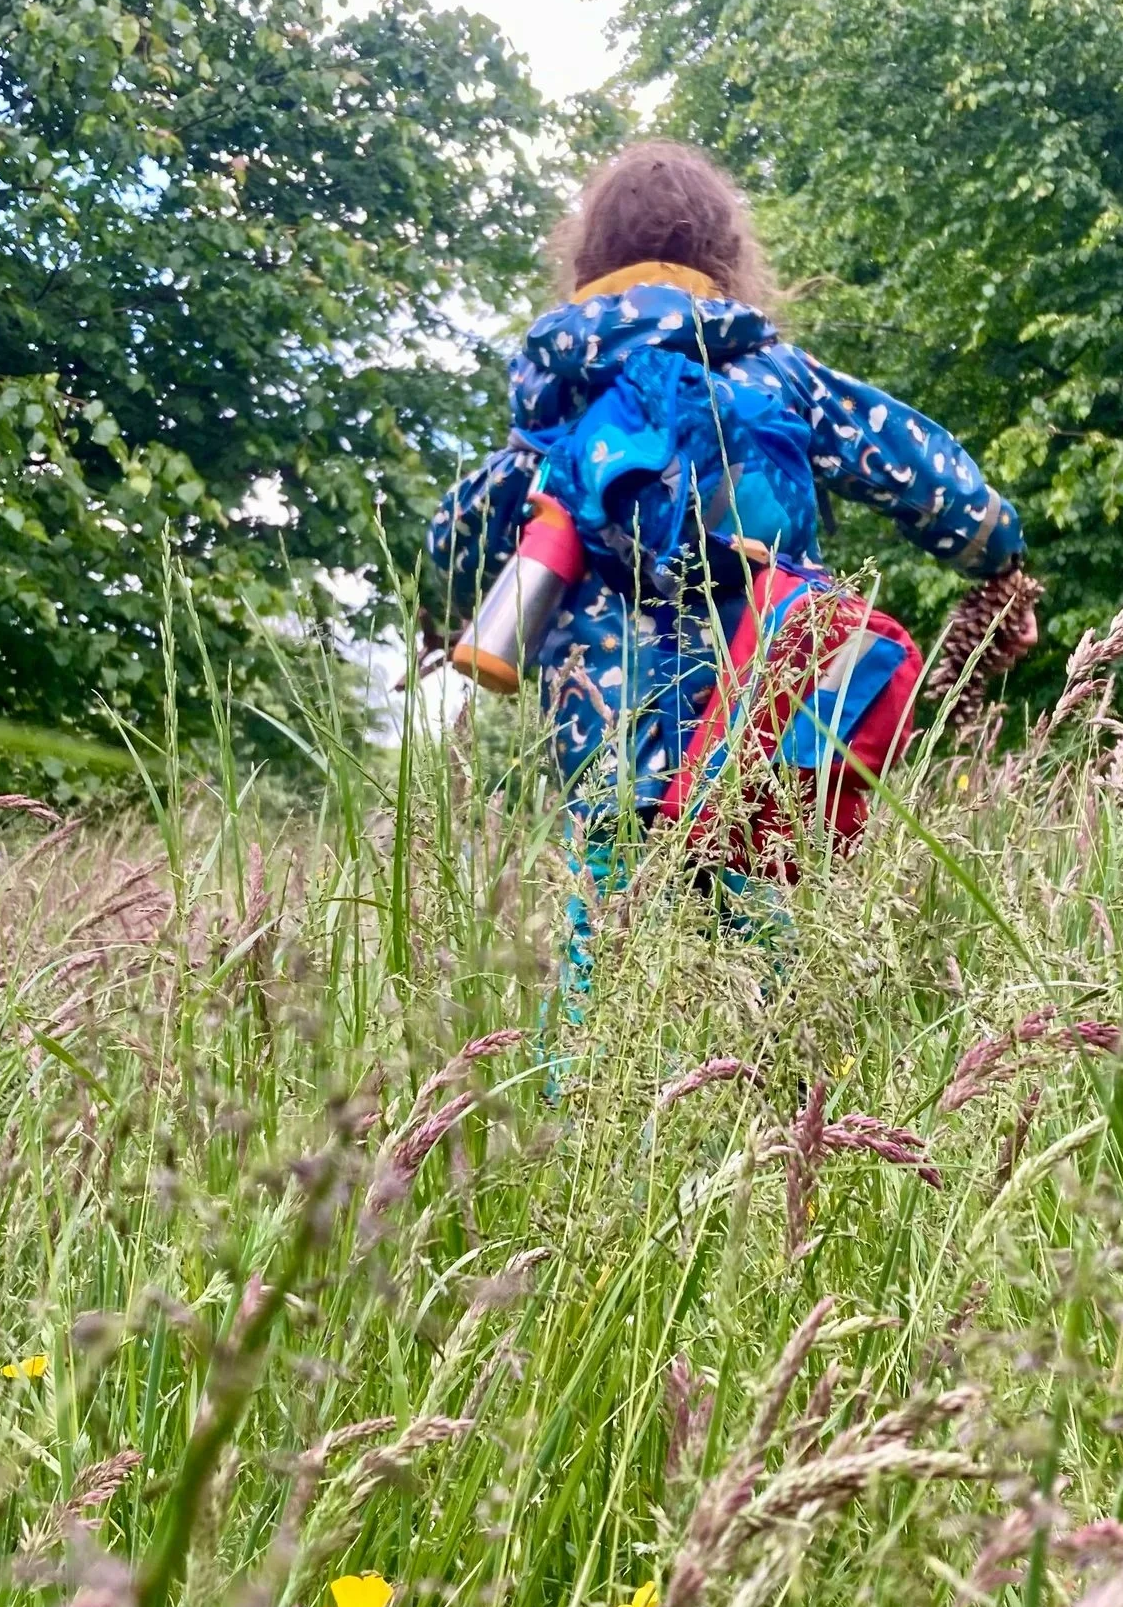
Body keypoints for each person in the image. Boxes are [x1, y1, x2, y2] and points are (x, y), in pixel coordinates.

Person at [425, 140, 1033, 1059]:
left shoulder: (558, 413)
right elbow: (925, 474)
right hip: (763, 729)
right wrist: (1000, 553)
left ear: (585, 263)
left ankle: (587, 1148)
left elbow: (450, 542)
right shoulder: (780, 375)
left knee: (603, 965)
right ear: (728, 256)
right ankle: (790, 1151)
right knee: (772, 975)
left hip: (608, 749)